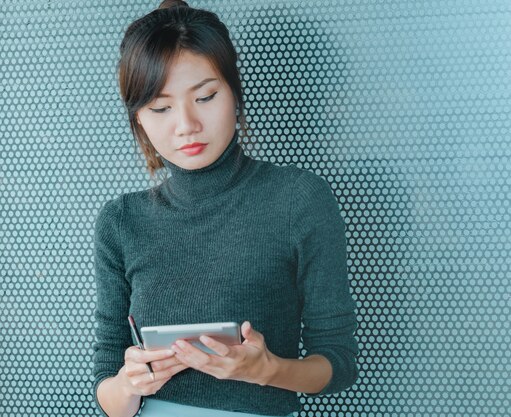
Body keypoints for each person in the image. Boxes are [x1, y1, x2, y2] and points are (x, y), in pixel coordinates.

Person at [91, 1, 360, 416]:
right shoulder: (120, 221)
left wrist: (268, 370)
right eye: (160, 108)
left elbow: (337, 363)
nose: (186, 125)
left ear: (234, 93)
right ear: (139, 119)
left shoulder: (300, 198)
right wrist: (129, 384)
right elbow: (108, 393)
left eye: (205, 96)